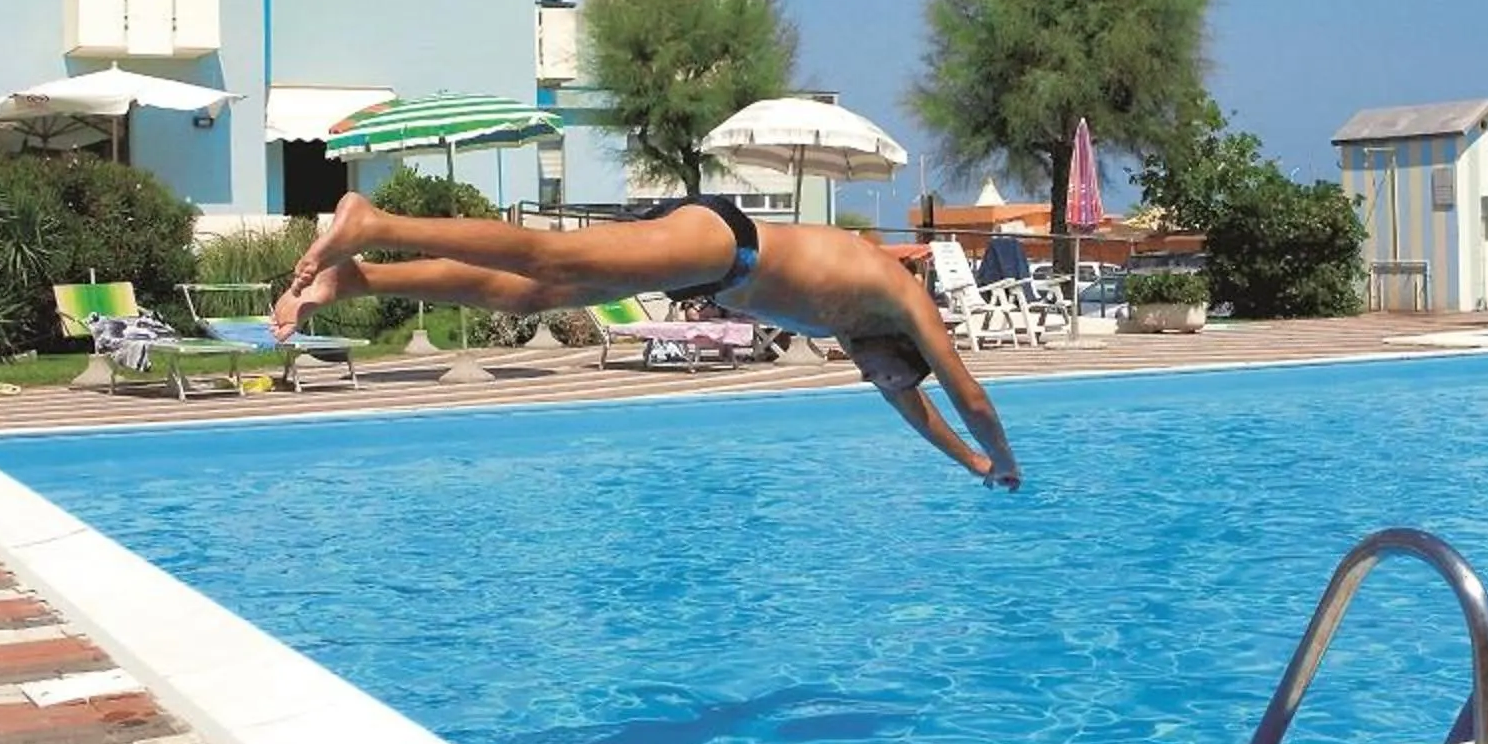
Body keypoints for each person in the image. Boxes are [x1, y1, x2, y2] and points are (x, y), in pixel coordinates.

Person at [279, 193, 1021, 486]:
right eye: (885, 377)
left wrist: (974, 466)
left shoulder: (865, 339)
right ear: (899, 351)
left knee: (533, 295)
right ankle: (374, 224)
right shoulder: (900, 299)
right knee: (551, 257)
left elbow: (922, 413)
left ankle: (364, 278)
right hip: (725, 243)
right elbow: (970, 397)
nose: (874, 383)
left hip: (706, 268)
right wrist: (1008, 458)